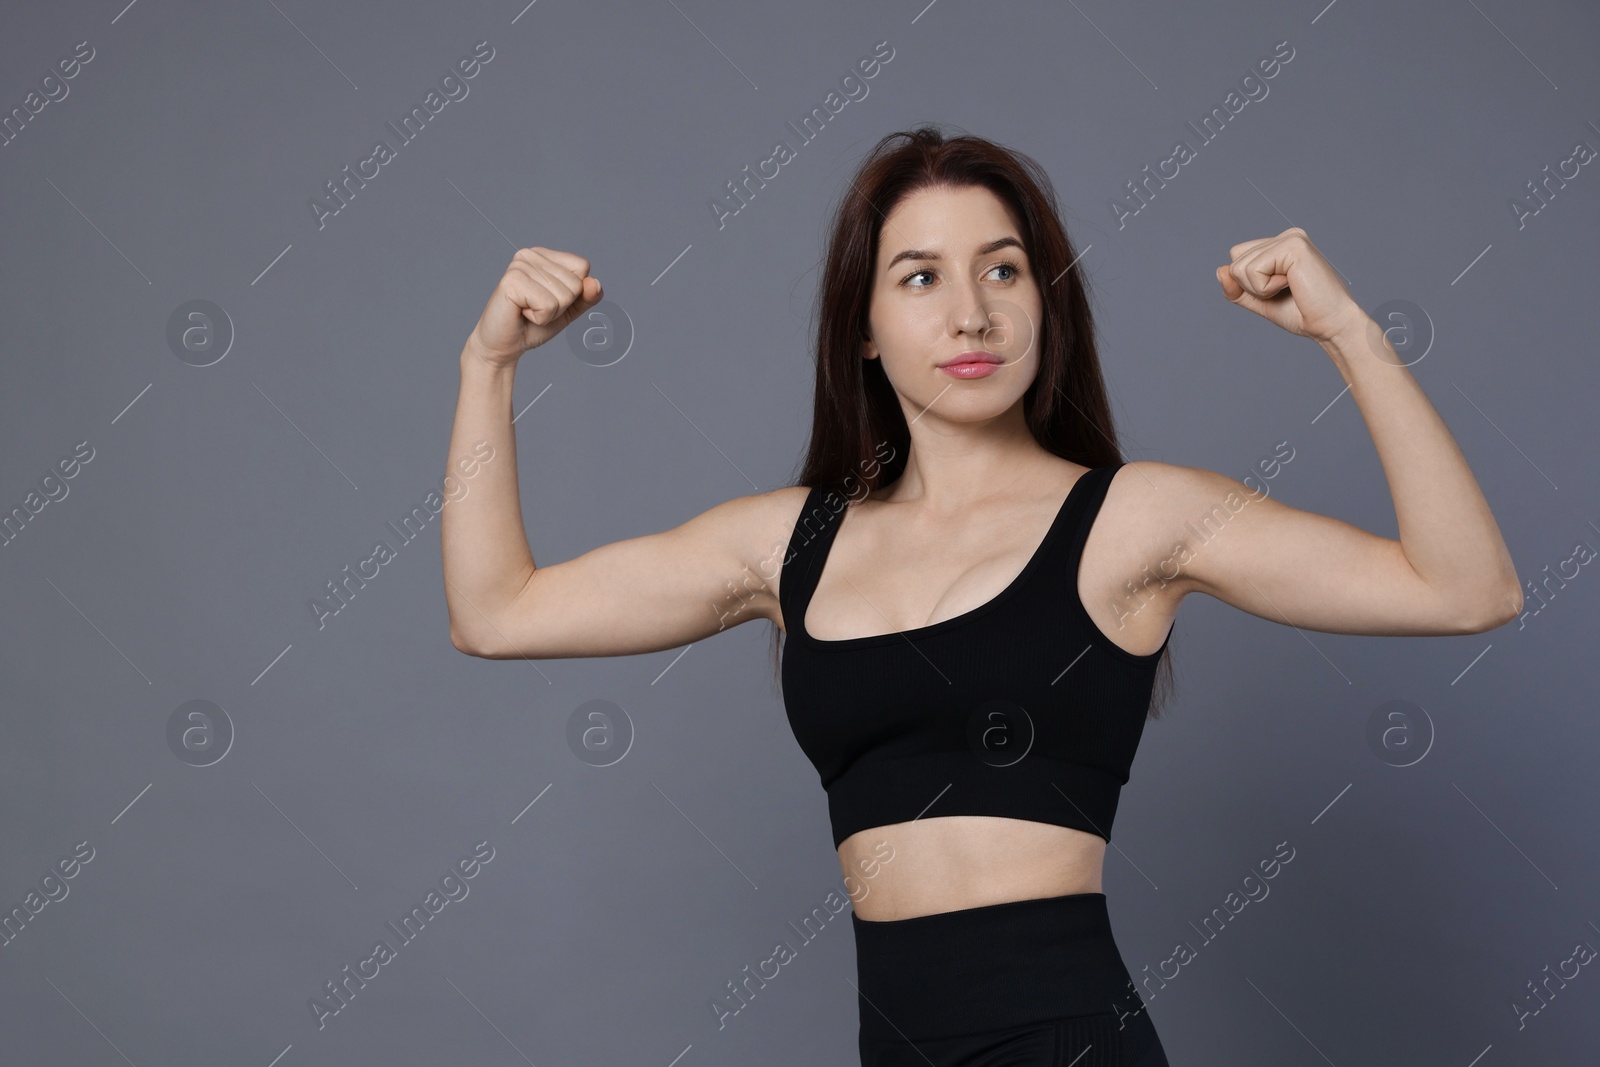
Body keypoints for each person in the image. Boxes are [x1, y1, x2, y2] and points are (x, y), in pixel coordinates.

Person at [440, 127, 1523, 1066]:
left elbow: (1467, 589)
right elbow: (496, 612)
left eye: (1002, 271)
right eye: (919, 278)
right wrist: (487, 366)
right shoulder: (786, 541)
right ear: (862, 326)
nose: (970, 313)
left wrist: (1351, 334)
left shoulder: (1132, 520)